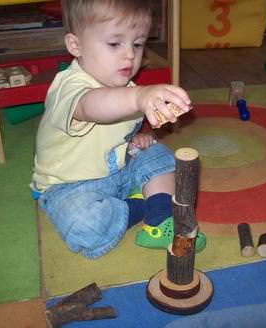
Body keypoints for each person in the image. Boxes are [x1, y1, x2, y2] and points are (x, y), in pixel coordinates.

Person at [31, 0, 206, 259]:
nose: (130, 55)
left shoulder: (127, 85)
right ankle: (140, 205)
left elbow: (115, 130)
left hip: (120, 166)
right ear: (75, 45)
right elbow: (92, 106)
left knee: (161, 155)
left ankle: (160, 219)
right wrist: (138, 97)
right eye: (115, 43)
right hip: (68, 185)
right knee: (85, 225)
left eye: (137, 44)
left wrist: (138, 138)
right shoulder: (68, 86)